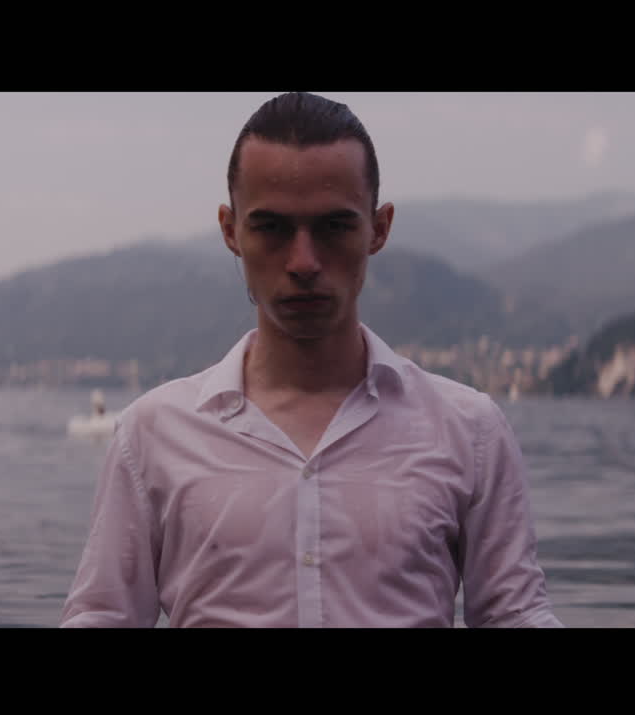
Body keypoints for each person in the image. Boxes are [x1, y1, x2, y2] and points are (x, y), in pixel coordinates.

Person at [61, 92, 561, 628]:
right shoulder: (152, 435)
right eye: (272, 228)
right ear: (230, 230)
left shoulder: (469, 431)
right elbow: (103, 617)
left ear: (379, 228)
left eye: (333, 227)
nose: (303, 262)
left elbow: (515, 615)